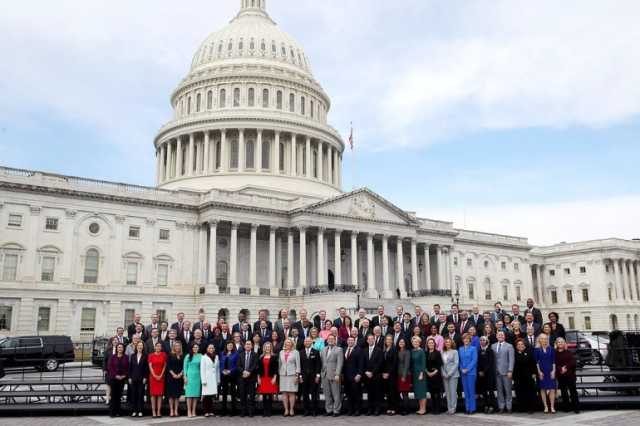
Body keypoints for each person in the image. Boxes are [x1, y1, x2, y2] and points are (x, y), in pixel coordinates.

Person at [320, 334, 343, 416]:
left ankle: (336, 410)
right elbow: (322, 362)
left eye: (332, 339)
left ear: (335, 340)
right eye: (329, 339)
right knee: (327, 393)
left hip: (334, 375)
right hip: (324, 374)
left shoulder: (339, 349)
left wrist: (337, 374)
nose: (330, 340)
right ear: (327, 340)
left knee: (336, 394)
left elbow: (340, 363)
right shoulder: (323, 350)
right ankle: (329, 410)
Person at [555, 337, 579, 414]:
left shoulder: (569, 352)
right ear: (556, 344)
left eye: (562, 342)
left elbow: (573, 362)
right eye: (559, 342)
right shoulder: (555, 353)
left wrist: (565, 367)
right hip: (561, 375)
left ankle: (576, 408)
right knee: (564, 392)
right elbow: (555, 363)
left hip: (570, 375)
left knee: (573, 392)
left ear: (564, 343)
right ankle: (566, 407)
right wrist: (560, 369)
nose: (560, 343)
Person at [492, 330, 515, 413]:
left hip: (506, 372)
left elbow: (511, 360)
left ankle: (509, 407)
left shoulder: (509, 346)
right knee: (499, 390)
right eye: (499, 335)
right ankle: (501, 407)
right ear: (496, 336)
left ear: (504, 336)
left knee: (508, 390)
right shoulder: (493, 346)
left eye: (502, 335)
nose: (500, 336)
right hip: (497, 372)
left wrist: (510, 370)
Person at [513, 338, 537, 414]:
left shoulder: (529, 352)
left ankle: (531, 408)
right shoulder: (514, 353)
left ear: (524, 345)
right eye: (518, 344)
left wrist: (534, 373)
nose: (520, 345)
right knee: (520, 392)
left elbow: (533, 363)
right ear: (516, 346)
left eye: (522, 344)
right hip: (518, 376)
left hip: (528, 375)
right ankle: (521, 407)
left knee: (530, 392)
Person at [534, 333, 557, 413]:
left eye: (545, 339)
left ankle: (552, 406)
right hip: (542, 371)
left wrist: (553, 371)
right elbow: (536, 362)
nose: (544, 340)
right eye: (542, 338)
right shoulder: (536, 349)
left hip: (550, 371)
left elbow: (554, 361)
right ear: (539, 340)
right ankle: (545, 406)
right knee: (543, 389)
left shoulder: (551, 349)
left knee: (552, 389)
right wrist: (539, 372)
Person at [299, 337, 321, 416]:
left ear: (311, 342)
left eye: (309, 341)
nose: (307, 342)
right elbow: (299, 365)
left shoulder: (316, 352)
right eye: (306, 341)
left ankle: (314, 410)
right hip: (304, 377)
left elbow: (318, 365)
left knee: (314, 394)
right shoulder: (300, 352)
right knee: (305, 394)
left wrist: (318, 376)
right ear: (304, 342)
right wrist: (300, 376)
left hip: (313, 376)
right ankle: (306, 410)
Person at [279, 338, 301, 416]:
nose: (287, 344)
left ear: (292, 343)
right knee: (284, 393)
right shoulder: (281, 352)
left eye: (289, 342)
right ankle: (286, 410)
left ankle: (291, 409)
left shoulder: (296, 352)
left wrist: (297, 375)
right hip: (283, 375)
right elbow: (280, 364)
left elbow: (298, 365)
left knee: (292, 392)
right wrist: (279, 373)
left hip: (292, 375)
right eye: (286, 342)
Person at [343, 336, 364, 416]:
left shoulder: (359, 350)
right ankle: (350, 409)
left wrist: (359, 374)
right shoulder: (344, 349)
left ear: (354, 341)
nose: (350, 342)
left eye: (352, 340)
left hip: (355, 376)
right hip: (346, 376)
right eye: (349, 340)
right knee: (348, 394)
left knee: (356, 394)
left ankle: (357, 410)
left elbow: (361, 363)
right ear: (347, 341)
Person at [362, 334, 383, 415]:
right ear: (367, 341)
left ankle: (377, 409)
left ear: (374, 340)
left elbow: (380, 363)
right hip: (367, 375)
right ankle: (370, 409)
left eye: (372, 339)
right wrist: (366, 372)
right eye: (369, 339)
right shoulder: (364, 350)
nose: (370, 340)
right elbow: (362, 363)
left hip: (376, 375)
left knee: (377, 393)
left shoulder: (379, 350)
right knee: (369, 393)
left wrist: (372, 372)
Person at [257, 341, 279, 417]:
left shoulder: (274, 357)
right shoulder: (261, 357)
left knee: (270, 395)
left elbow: (276, 368)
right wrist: (258, 378)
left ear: (271, 348)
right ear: (264, 348)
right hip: (263, 378)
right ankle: (264, 411)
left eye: (269, 347)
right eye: (266, 347)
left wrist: (275, 378)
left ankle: (269, 411)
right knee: (264, 395)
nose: (267, 348)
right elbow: (259, 369)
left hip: (270, 378)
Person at [237, 340, 259, 417]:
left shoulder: (255, 354)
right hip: (242, 378)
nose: (248, 345)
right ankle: (243, 411)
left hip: (251, 377)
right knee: (243, 395)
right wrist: (244, 372)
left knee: (252, 395)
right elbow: (238, 366)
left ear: (252, 346)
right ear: (244, 346)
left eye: (249, 344)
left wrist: (249, 372)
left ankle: (251, 412)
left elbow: (255, 365)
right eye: (246, 344)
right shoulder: (240, 355)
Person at [107, 343, 129, 417]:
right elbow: (110, 367)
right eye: (119, 347)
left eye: (121, 347)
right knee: (113, 395)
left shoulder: (126, 357)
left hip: (122, 379)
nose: (120, 349)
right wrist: (116, 375)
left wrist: (123, 375)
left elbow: (127, 368)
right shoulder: (113, 357)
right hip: (114, 379)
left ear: (123, 349)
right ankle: (112, 412)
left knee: (119, 396)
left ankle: (118, 411)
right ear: (117, 348)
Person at [458, 333, 478, 414]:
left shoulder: (473, 349)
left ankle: (472, 409)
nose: (466, 340)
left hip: (471, 373)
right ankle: (467, 408)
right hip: (463, 373)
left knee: (471, 391)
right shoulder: (460, 349)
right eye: (464, 339)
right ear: (463, 340)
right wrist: (462, 369)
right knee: (465, 391)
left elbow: (474, 360)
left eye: (467, 339)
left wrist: (467, 369)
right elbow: (459, 361)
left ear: (470, 340)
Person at [476, 336, 496, 413]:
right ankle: (485, 405)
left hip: (489, 373)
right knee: (483, 391)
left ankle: (492, 406)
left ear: (487, 341)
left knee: (490, 391)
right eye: (481, 340)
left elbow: (490, 363)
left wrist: (484, 371)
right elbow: (478, 362)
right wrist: (480, 371)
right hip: (481, 374)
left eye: (484, 340)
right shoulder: (479, 350)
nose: (482, 341)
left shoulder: (490, 350)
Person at [219, 340, 239, 416]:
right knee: (224, 394)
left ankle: (233, 411)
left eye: (231, 345)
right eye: (228, 345)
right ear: (226, 346)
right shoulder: (222, 353)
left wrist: (230, 371)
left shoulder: (236, 354)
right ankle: (223, 411)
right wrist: (222, 371)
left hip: (232, 375)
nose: (229, 346)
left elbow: (237, 365)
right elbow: (220, 364)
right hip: (224, 376)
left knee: (233, 393)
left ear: (233, 346)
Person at [128, 341, 147, 417]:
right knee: (134, 394)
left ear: (143, 347)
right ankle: (134, 410)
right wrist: (129, 377)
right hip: (133, 378)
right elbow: (130, 368)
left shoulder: (145, 356)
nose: (140, 347)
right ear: (136, 347)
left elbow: (146, 368)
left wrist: (145, 377)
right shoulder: (132, 356)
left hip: (142, 378)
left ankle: (140, 410)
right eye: (138, 345)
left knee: (140, 394)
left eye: (141, 345)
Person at [148, 341, 167, 418]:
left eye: (160, 346)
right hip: (153, 377)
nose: (158, 347)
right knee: (153, 395)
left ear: (161, 347)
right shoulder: (151, 355)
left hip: (161, 376)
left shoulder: (164, 354)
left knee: (160, 395)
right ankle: (153, 412)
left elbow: (165, 366)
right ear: (155, 347)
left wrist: (161, 375)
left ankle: (158, 411)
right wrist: (155, 375)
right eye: (157, 346)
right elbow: (150, 366)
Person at [200, 343, 220, 417]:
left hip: (214, 379)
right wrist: (203, 380)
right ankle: (206, 411)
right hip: (207, 379)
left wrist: (218, 379)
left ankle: (211, 411)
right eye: (210, 348)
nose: (211, 349)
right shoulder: (203, 357)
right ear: (207, 349)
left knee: (211, 395)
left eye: (212, 348)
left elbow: (217, 369)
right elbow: (202, 370)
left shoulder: (216, 357)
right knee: (206, 396)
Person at [183, 343, 203, 418]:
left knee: (195, 395)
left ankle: (194, 410)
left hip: (197, 376)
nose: (195, 348)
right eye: (194, 347)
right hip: (189, 376)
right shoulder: (188, 356)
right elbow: (185, 367)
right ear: (191, 348)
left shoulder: (201, 356)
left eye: (197, 347)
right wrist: (185, 377)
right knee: (189, 395)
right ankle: (189, 411)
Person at [441, 337, 459, 415]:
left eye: (449, 342)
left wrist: (450, 373)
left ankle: (453, 408)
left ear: (451, 343)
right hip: (445, 375)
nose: (447, 343)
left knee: (452, 392)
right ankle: (449, 408)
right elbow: (441, 364)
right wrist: (444, 373)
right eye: (446, 342)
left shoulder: (455, 352)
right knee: (447, 393)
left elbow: (456, 363)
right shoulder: (442, 352)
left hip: (453, 375)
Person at [166, 341, 185, 417]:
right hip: (171, 377)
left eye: (178, 346)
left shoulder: (183, 355)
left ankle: (176, 410)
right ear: (173, 347)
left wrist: (180, 374)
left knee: (177, 395)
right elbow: (168, 366)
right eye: (176, 346)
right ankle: (171, 410)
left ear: (180, 347)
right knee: (171, 395)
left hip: (179, 377)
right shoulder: (170, 355)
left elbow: (184, 366)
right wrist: (173, 374)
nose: (177, 347)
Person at [425, 337, 443, 415]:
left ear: (434, 344)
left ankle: (438, 409)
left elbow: (440, 364)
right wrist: (427, 372)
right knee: (432, 393)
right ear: (427, 344)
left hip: (436, 375)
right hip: (428, 375)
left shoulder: (438, 352)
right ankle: (433, 408)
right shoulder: (426, 353)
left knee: (437, 393)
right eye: (429, 343)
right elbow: (424, 364)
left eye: (432, 343)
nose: (431, 344)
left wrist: (433, 373)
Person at [410, 336, 427, 415]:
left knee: (422, 392)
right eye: (414, 342)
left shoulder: (421, 351)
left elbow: (423, 363)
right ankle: (420, 408)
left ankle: (423, 409)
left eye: (417, 342)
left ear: (419, 343)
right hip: (414, 373)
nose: (415, 343)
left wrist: (421, 374)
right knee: (418, 392)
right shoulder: (412, 351)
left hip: (420, 373)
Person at [381, 334, 398, 415]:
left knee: (392, 392)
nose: (388, 341)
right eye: (387, 339)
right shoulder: (384, 349)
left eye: (390, 339)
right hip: (384, 374)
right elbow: (383, 363)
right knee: (387, 392)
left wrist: (388, 373)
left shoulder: (394, 349)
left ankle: (393, 408)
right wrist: (383, 373)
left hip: (392, 374)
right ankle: (389, 407)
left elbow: (394, 363)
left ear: (392, 341)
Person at [396, 338, 411, 415]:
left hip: (404, 375)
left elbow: (407, 365)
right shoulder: (397, 351)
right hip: (398, 375)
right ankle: (401, 408)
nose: (401, 343)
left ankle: (406, 409)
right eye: (400, 342)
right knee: (399, 393)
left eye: (403, 342)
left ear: (405, 343)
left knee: (405, 393)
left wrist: (404, 376)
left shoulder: (407, 352)